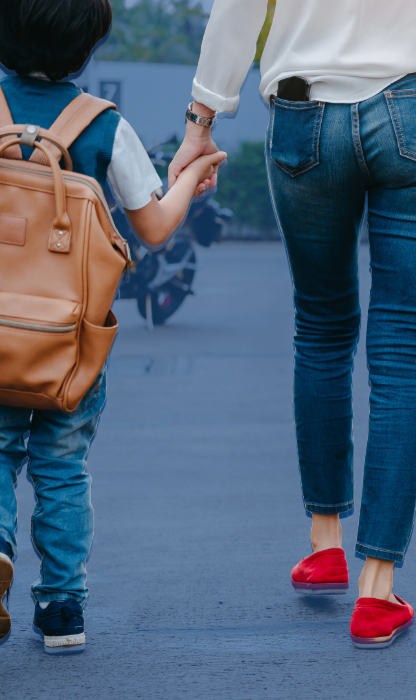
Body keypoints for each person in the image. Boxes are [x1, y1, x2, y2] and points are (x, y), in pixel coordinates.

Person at [172, 0, 416, 649]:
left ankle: (324, 545)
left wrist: (202, 120)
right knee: (403, 351)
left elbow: (237, 8)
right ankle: (376, 589)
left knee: (320, 329)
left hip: (306, 113)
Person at [0, 0, 224, 654]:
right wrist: (194, 178)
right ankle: (62, 609)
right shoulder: (103, 125)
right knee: (64, 467)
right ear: (87, 48)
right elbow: (153, 228)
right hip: (71, 342)